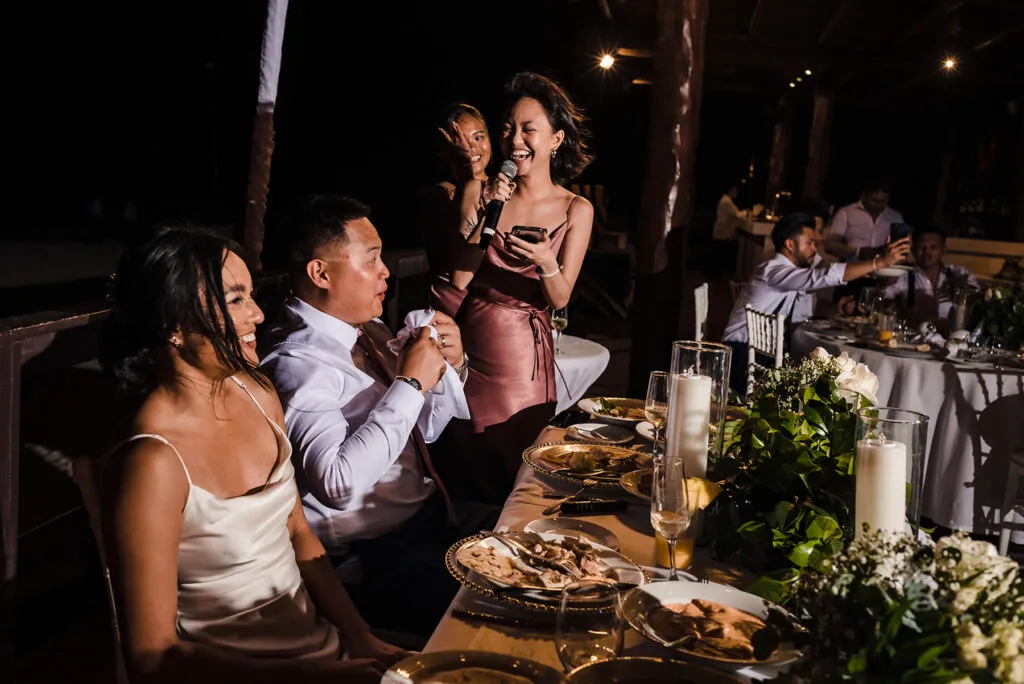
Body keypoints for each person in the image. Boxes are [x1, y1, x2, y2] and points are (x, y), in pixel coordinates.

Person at [99, 225, 403, 683]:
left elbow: (298, 531)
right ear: (172, 325)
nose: (258, 314)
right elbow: (152, 658)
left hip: (327, 654)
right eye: (236, 299)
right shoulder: (152, 462)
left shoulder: (256, 393)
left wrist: (360, 636)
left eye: (251, 296)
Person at [259, 195, 498, 637]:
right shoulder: (299, 364)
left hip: (428, 518)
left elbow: (421, 430)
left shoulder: (367, 330)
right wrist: (410, 383)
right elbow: (337, 483)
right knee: (508, 609)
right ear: (320, 273)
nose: (385, 271)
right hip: (375, 559)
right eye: (371, 259)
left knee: (536, 532)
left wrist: (449, 367)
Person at [443, 72, 594, 502]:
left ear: (556, 139)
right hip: (472, 347)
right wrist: (489, 206)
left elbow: (560, 297)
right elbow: (460, 278)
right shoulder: (484, 191)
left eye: (529, 129)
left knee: (517, 466)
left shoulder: (576, 209)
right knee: (466, 461)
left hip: (524, 358)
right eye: (508, 128)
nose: (514, 141)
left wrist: (546, 262)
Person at [723, 212, 910, 393]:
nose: (814, 248)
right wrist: (880, 262)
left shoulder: (787, 274)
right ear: (790, 244)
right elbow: (822, 275)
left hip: (757, 352)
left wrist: (835, 307)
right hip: (741, 354)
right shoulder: (774, 271)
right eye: (810, 243)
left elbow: (813, 289)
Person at [421, 103, 494, 317]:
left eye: (478, 138)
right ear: (444, 150)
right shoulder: (439, 194)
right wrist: (466, 171)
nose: (470, 147)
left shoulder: (504, 188)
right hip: (454, 305)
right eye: (459, 141)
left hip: (495, 303)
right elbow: (452, 250)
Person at [884, 226, 978, 328]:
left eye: (933, 247)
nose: (927, 252)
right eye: (921, 247)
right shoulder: (902, 278)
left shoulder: (959, 274)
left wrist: (959, 289)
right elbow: (883, 303)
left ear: (943, 250)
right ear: (913, 250)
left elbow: (977, 303)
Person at [824, 178, 904, 261]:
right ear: (864, 196)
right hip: (853, 264)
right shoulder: (846, 213)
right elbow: (830, 245)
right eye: (875, 201)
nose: (879, 205)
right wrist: (858, 252)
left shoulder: (895, 216)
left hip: (885, 265)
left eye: (883, 201)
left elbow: (902, 245)